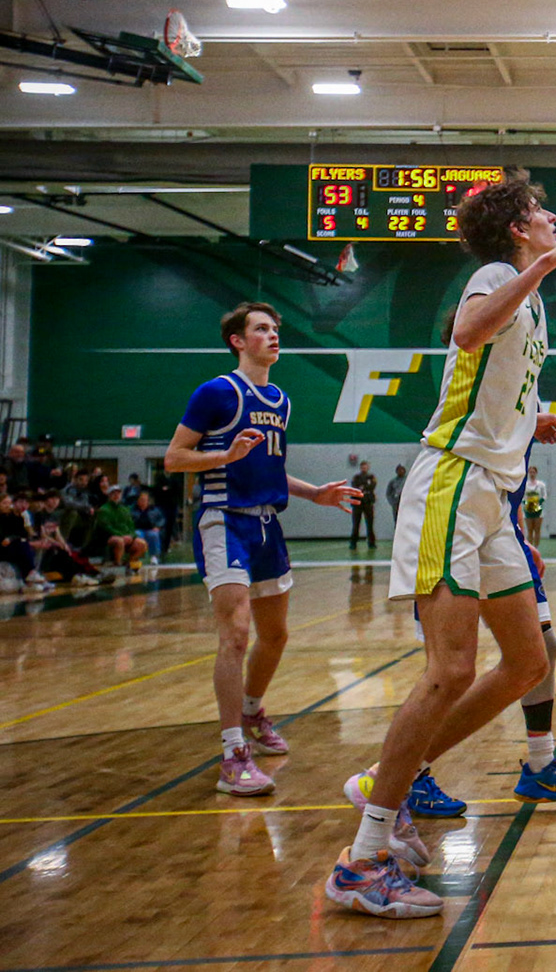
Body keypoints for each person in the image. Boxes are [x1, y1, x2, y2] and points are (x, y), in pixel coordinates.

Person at [327, 173, 556, 919]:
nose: (551, 217)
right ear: (518, 230)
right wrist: (547, 264)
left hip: (492, 495)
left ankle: (389, 777)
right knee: (451, 667)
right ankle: (362, 858)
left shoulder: (529, 296)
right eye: (539, 211)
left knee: (529, 660)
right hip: (453, 483)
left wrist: (531, 419)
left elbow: (494, 376)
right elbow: (466, 335)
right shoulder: (497, 276)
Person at [165, 301, 359, 798]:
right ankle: (233, 755)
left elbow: (270, 468)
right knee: (236, 633)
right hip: (223, 519)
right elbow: (174, 458)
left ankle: (252, 711)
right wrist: (223, 455)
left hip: (268, 524)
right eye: (261, 329)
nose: (273, 336)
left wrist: (314, 493)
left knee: (275, 636)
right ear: (237, 340)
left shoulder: (280, 400)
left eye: (275, 329)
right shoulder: (217, 392)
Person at [407, 436, 556, 821]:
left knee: (543, 650)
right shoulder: (486, 404)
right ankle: (403, 773)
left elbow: (504, 471)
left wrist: (516, 532)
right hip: (455, 514)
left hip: (500, 526)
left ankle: (541, 765)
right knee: (446, 668)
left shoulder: (524, 408)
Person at [93, 484, 146, 574]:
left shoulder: (125, 509)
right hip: (109, 537)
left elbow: (131, 526)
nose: (116, 495)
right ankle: (118, 564)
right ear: (109, 495)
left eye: (118, 493)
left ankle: (129, 563)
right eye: (113, 493)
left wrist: (131, 536)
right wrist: (121, 535)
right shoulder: (104, 509)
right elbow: (106, 528)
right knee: (119, 541)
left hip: (126, 536)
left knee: (142, 544)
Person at [349, 460, 380, 552]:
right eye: (362, 467)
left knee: (370, 524)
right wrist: (364, 487)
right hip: (357, 503)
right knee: (356, 524)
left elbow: (372, 486)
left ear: (368, 468)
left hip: (368, 502)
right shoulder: (356, 477)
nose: (364, 468)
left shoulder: (372, 477)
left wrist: (363, 487)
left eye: (365, 467)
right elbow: (354, 486)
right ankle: (353, 543)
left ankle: (371, 543)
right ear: (360, 468)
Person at [131, 489, 167, 561]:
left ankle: (154, 556)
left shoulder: (154, 510)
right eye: (141, 500)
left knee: (154, 535)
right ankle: (138, 556)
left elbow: (162, 519)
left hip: (151, 529)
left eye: (145, 500)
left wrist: (158, 526)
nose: (143, 501)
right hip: (138, 529)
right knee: (137, 535)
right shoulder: (133, 510)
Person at [522, 464, 546, 549]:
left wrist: (539, 502)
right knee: (530, 530)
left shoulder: (541, 485)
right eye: (530, 472)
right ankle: (530, 547)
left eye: (533, 472)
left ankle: (536, 547)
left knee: (537, 529)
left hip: (538, 510)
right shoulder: (525, 484)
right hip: (528, 509)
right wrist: (526, 502)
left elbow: (544, 495)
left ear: (536, 473)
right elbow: (522, 496)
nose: (532, 474)